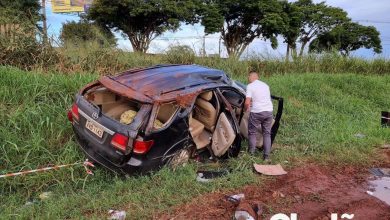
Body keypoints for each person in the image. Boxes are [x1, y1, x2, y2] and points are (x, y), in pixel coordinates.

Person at [244, 72, 273, 161]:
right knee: (267, 134)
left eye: (248, 77)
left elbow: (247, 102)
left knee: (252, 132)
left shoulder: (250, 86)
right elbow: (263, 98)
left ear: (250, 77)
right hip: (269, 111)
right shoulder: (265, 85)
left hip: (257, 112)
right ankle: (266, 156)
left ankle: (251, 154)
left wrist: (246, 109)